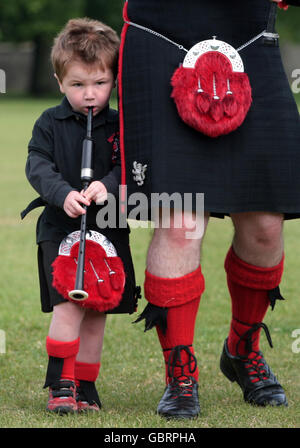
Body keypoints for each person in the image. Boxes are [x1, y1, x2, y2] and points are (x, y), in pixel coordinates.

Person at [118, 0, 300, 418]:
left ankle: (242, 350)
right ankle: (180, 375)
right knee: (181, 222)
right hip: (159, 33)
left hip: (251, 38)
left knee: (266, 225)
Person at [23, 17, 138, 414]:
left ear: (114, 80)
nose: (90, 94)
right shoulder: (49, 124)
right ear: (59, 83)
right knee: (69, 306)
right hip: (60, 226)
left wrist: (107, 184)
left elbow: (131, 168)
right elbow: (37, 165)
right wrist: (61, 194)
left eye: (100, 83)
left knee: (96, 311)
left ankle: (86, 386)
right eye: (77, 85)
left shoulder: (121, 125)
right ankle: (61, 384)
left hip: (107, 229)